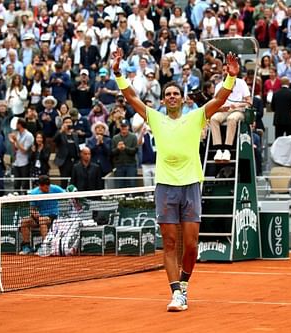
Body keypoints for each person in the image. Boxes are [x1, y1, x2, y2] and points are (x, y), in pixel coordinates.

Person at [112, 46, 239, 312]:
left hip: (191, 184)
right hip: (165, 187)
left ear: (182, 99)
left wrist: (231, 78)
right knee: (169, 243)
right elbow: (131, 96)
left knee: (191, 245)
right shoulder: (155, 118)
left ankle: (185, 284)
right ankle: (176, 293)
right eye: (168, 94)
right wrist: (118, 74)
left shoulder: (196, 117)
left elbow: (219, 100)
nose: (171, 97)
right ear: (163, 100)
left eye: (175, 94)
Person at [19, 175, 65, 255]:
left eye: (48, 187)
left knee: (42, 220)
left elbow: (68, 194)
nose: (47, 189)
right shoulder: (34, 193)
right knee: (24, 222)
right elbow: (32, 209)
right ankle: (26, 246)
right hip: (39, 216)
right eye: (45, 187)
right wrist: (34, 213)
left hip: (53, 216)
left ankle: (45, 247)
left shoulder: (56, 189)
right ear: (40, 186)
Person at [9, 118, 34, 193]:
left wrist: (16, 140)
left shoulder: (29, 135)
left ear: (20, 125)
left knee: (25, 184)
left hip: (25, 162)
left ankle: (25, 200)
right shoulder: (17, 134)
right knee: (16, 184)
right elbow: (15, 149)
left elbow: (24, 150)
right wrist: (13, 142)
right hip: (17, 161)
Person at [54, 116, 80, 189]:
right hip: (64, 161)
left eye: (70, 122)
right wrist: (61, 131)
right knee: (64, 180)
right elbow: (55, 140)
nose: (68, 124)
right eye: (66, 122)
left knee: (75, 179)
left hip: (74, 160)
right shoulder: (60, 133)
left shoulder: (74, 134)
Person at [111, 119, 138, 188]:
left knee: (132, 184)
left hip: (130, 164)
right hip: (119, 165)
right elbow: (112, 152)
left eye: (125, 127)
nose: (123, 129)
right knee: (120, 185)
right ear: (120, 127)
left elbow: (135, 150)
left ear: (128, 127)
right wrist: (118, 149)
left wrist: (125, 148)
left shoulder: (133, 137)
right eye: (122, 127)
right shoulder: (115, 138)